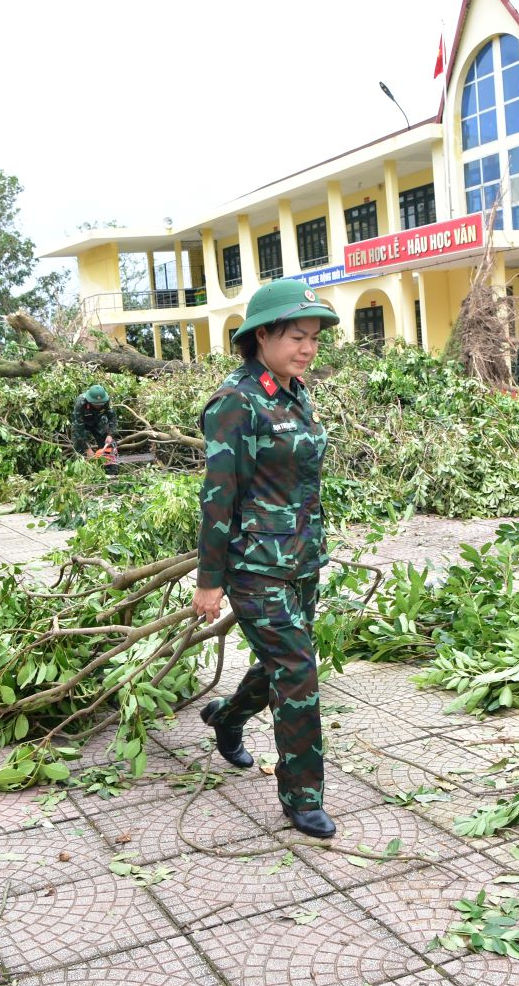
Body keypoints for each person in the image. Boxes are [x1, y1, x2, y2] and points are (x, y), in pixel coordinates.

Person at [191, 278, 337, 840]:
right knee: (298, 670)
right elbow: (217, 497)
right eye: (297, 336)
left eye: (314, 339)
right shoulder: (236, 403)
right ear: (262, 335)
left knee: (286, 662)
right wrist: (211, 581)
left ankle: (226, 717)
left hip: (301, 557)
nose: (308, 348)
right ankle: (303, 798)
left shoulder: (291, 393)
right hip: (255, 565)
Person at [70, 384, 116, 458]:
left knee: (108, 444)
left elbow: (113, 418)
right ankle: (83, 463)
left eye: (101, 404)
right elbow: (78, 425)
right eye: (96, 404)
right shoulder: (80, 402)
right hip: (83, 422)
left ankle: (110, 465)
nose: (99, 406)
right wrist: (87, 448)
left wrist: (110, 434)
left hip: (98, 420)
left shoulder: (107, 400)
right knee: (79, 445)